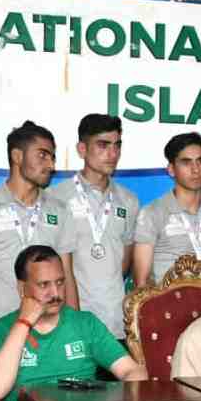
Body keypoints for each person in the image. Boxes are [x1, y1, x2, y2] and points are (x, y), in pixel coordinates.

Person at [0, 246, 147, 401]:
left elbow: (132, 371)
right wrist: (24, 322)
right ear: (22, 288)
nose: (55, 293)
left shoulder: (85, 323)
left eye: (60, 282)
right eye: (43, 285)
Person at [0, 121, 78, 384]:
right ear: (17, 156)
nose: (51, 164)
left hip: (48, 336)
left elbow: (67, 276)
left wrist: (73, 331)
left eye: (53, 156)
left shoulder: (60, 210)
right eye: (42, 155)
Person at [47, 114, 139, 341]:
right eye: (103, 145)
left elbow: (125, 264)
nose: (112, 153)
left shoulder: (129, 200)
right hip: (69, 324)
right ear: (81, 149)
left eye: (117, 145)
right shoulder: (55, 198)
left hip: (117, 325)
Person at [132, 132, 201, 286]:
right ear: (171, 169)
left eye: (200, 161)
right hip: (166, 306)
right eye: (186, 162)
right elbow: (141, 282)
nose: (195, 170)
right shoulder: (153, 213)